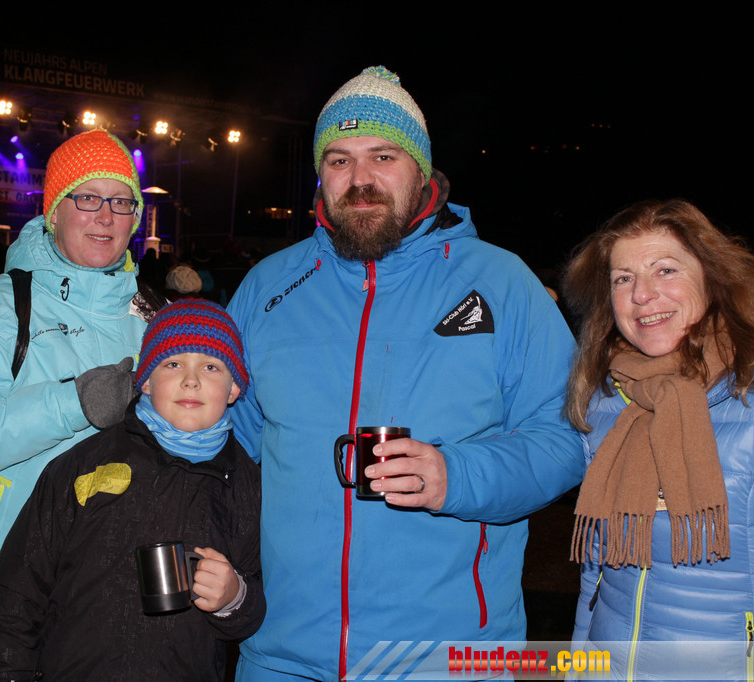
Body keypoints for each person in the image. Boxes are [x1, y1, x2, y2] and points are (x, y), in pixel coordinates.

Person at [226, 66, 585, 680]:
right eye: (339, 160)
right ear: (320, 175)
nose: (360, 179)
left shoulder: (502, 282)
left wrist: (456, 476)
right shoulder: (268, 287)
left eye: (383, 156)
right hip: (282, 655)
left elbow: (567, 437)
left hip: (448, 656)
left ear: (421, 170)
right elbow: (230, 443)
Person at [0, 129, 159, 682]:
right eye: (87, 197)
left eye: (122, 202)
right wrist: (71, 403)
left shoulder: (155, 316)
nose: (105, 216)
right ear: (53, 212)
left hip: (111, 594)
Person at [0, 298, 264, 680]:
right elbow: (20, 584)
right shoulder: (85, 464)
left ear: (234, 389)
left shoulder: (247, 486)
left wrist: (233, 598)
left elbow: (255, 604)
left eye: (211, 366)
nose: (191, 380)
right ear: (145, 380)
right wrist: (8, 673)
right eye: (173, 363)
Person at [563, 199, 754, 680]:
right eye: (622, 278)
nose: (642, 295)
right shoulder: (608, 399)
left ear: (712, 277)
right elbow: (596, 574)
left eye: (665, 270)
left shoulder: (747, 399)